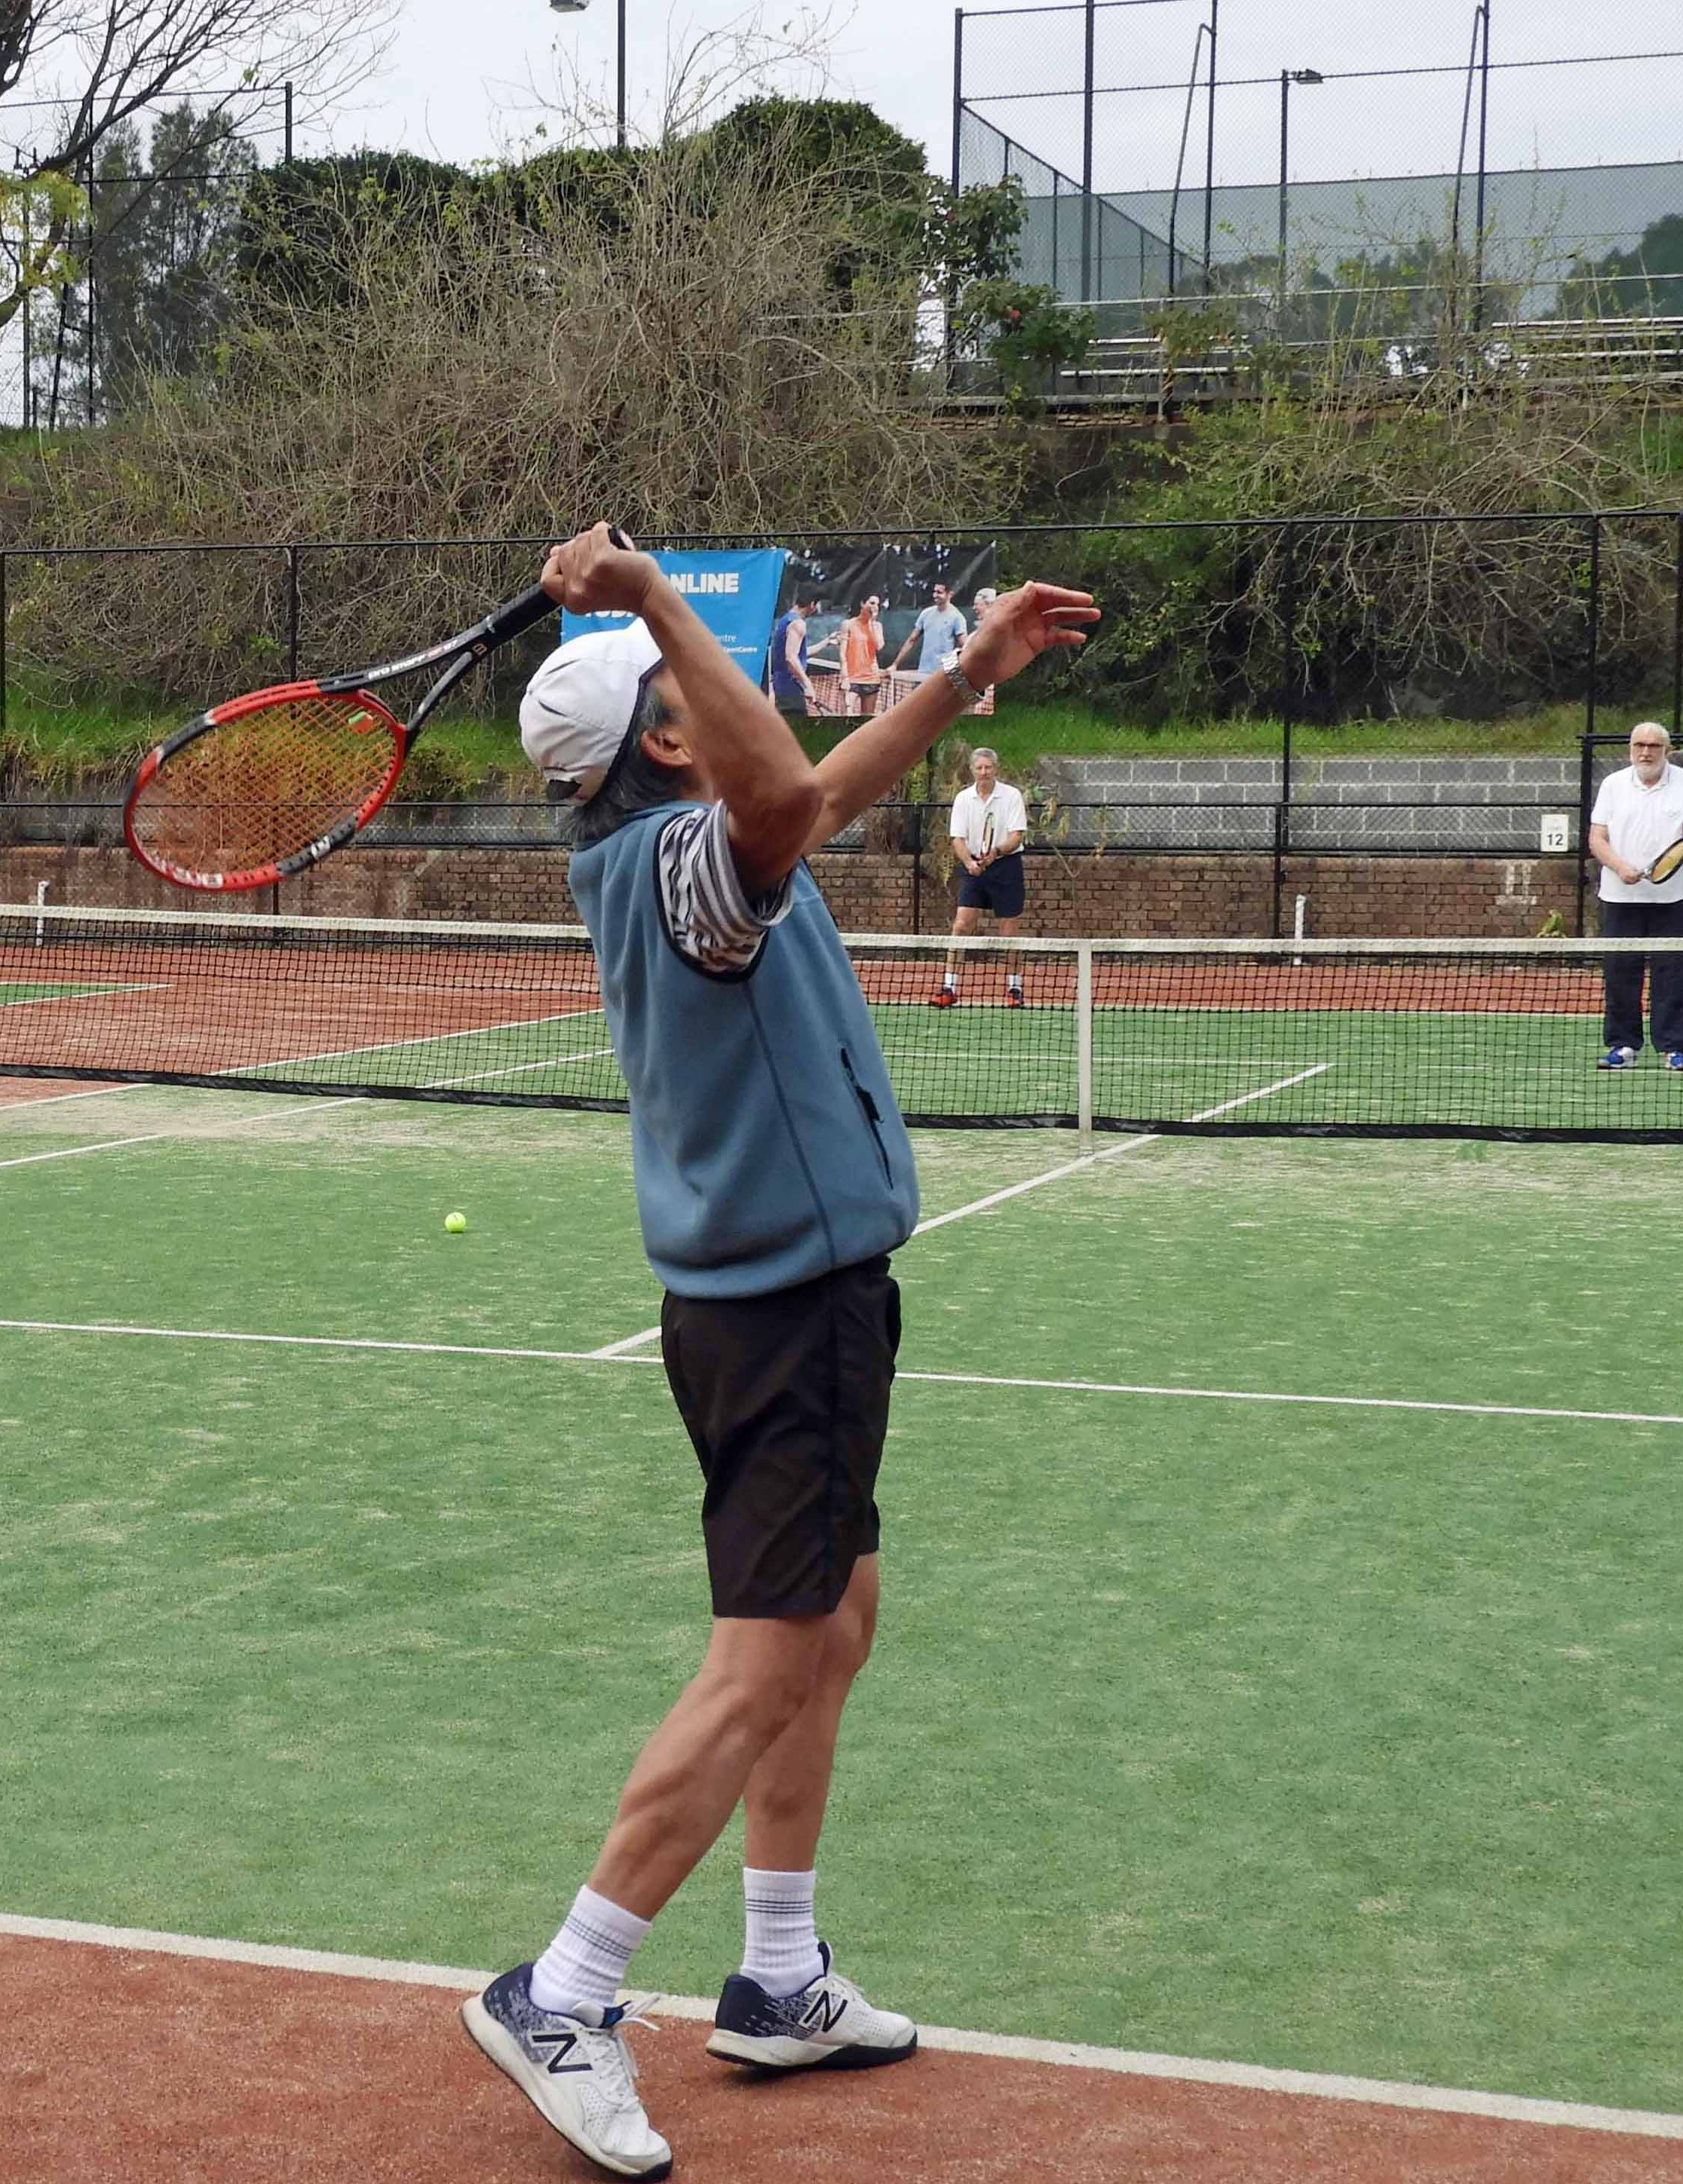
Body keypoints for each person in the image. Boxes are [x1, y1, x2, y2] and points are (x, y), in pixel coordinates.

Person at [464, 521, 1097, 2180]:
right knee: (765, 1654)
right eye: (694, 685)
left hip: (797, 1299)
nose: (729, 698)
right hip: (778, 1314)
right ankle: (564, 1987)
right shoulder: (690, 863)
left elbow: (819, 789)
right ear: (660, 739)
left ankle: (780, 1973)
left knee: (837, 1617)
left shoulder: (700, 837)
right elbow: (789, 802)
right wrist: (658, 597)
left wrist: (968, 676)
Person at [1588, 720, 1683, 1072]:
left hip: (1674, 898)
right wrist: (1620, 868)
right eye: (1639, 745)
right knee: (1620, 972)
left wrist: (1665, 867)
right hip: (1619, 896)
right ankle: (1623, 1046)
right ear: (1630, 748)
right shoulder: (1612, 785)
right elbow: (1597, 838)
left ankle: (1674, 1048)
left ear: (1666, 750)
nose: (1646, 752)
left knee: (1672, 973)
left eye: (1654, 746)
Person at [933, 746, 1029, 1007]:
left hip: (1006, 866)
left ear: (996, 769)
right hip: (974, 868)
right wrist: (969, 862)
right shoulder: (963, 799)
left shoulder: (1011, 796)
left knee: (1009, 932)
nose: (984, 772)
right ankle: (949, 987)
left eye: (988, 767)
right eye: (979, 768)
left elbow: (1016, 836)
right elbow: (957, 839)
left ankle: (1014, 988)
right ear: (972, 770)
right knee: (961, 925)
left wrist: (995, 852)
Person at [890, 582, 967, 680]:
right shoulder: (926, 614)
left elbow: (964, 646)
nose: (935, 595)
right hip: (923, 673)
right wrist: (895, 665)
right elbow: (911, 640)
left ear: (949, 594)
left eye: (939, 592)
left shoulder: (957, 617)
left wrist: (953, 671)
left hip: (943, 676)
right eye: (934, 592)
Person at [762, 595, 814, 716]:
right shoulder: (798, 624)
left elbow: (798, 653)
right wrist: (807, 684)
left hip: (782, 689)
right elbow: (791, 658)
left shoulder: (784, 621)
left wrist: (826, 642)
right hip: (791, 689)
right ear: (812, 604)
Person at [835, 596, 885, 713]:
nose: (875, 607)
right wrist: (845, 678)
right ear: (863, 604)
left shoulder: (878, 626)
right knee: (846, 717)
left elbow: (879, 646)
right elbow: (842, 654)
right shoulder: (848, 624)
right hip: (851, 680)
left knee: (867, 721)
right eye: (872, 603)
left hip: (872, 679)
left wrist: (872, 623)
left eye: (877, 604)